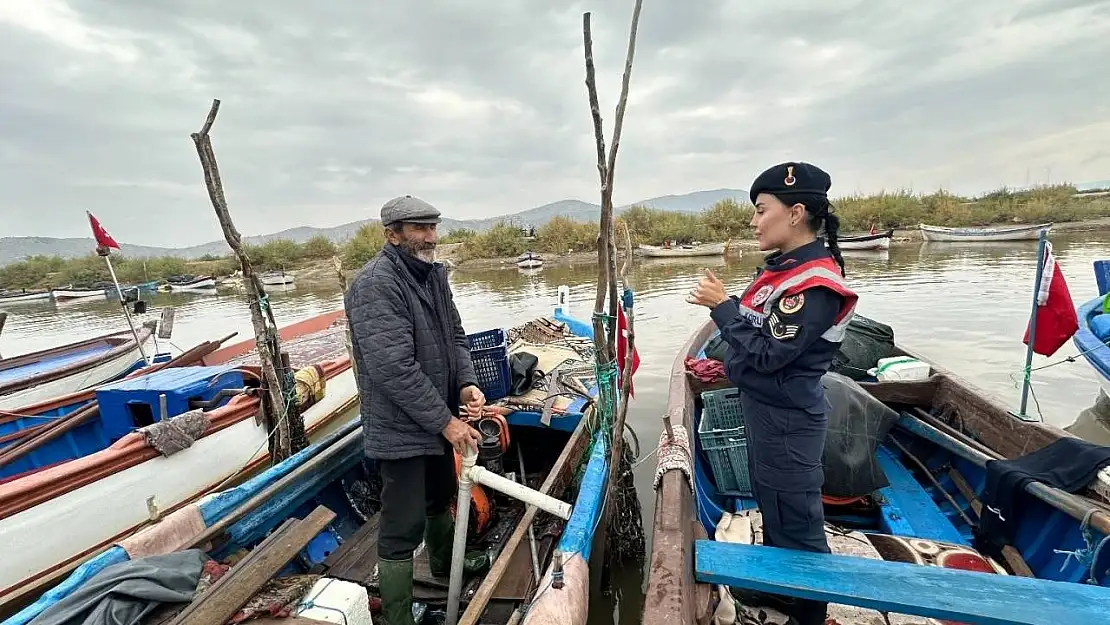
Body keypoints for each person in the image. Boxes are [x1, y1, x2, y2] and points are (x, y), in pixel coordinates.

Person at [686, 162, 857, 625]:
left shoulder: (812, 284)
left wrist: (722, 308)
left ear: (796, 213)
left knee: (798, 524)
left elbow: (767, 356)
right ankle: (788, 592)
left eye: (762, 210)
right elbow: (762, 335)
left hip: (787, 420)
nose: (755, 221)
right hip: (768, 413)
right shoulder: (785, 273)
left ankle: (811, 615)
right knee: (776, 507)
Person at [344, 195, 488, 625]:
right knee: (402, 525)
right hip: (400, 428)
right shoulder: (375, 284)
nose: (430, 237)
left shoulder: (433, 276)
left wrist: (465, 384)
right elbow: (393, 369)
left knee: (441, 494)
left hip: (437, 417)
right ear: (392, 234)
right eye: (419, 229)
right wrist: (446, 423)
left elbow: (456, 336)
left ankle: (445, 565)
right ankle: (397, 614)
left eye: (432, 227)